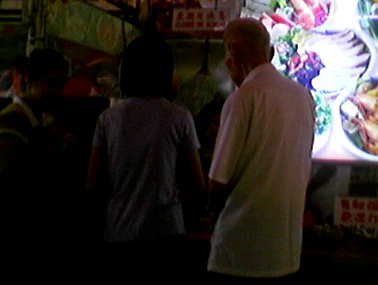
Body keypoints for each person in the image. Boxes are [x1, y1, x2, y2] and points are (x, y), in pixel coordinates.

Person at [86, 34, 206, 280]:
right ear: (166, 72)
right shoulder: (179, 117)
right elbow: (198, 185)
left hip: (119, 231)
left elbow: (92, 183)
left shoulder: (108, 119)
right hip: (166, 232)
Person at [206, 17, 315, 283]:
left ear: (231, 50)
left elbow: (218, 180)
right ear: (271, 53)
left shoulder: (243, 97)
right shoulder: (303, 96)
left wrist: (208, 210)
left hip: (241, 253)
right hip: (286, 253)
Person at [0, 48, 71, 278]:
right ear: (30, 80)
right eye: (52, 83)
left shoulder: (41, 121)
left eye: (62, 84)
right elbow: (8, 179)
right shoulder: (14, 119)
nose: (59, 92)